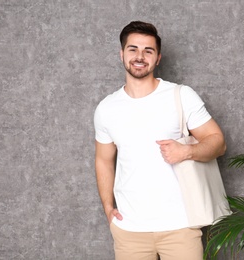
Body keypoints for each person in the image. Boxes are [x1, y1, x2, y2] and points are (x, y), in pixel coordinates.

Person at [94, 21, 226, 260]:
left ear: (158, 58)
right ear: (121, 54)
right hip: (129, 230)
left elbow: (218, 142)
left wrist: (187, 152)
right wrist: (108, 209)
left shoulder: (181, 95)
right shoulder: (107, 108)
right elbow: (103, 160)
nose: (140, 56)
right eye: (133, 49)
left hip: (180, 226)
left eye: (148, 51)